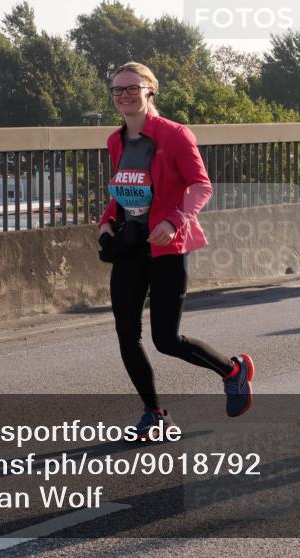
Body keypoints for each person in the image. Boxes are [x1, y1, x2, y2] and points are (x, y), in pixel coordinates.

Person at [99, 62, 254, 440]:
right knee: (127, 335)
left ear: (150, 90)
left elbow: (202, 186)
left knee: (166, 340)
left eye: (131, 88)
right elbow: (122, 190)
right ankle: (155, 414)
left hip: (168, 246)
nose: (124, 96)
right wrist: (105, 223)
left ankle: (232, 370)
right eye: (117, 90)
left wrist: (174, 221)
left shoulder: (176, 135)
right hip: (130, 246)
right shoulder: (115, 141)